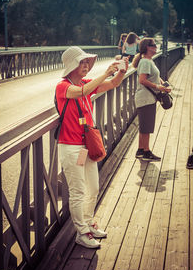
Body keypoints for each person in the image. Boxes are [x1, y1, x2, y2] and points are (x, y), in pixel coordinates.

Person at [55, 46, 129, 248]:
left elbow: (113, 83)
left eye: (87, 62)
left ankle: (88, 223)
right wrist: (105, 72)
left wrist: (121, 71)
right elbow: (81, 92)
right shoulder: (63, 86)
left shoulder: (87, 83)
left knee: (93, 187)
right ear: (71, 65)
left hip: (85, 147)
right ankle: (82, 232)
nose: (86, 65)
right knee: (78, 191)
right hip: (71, 148)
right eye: (82, 62)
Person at [132, 38, 171, 161]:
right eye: (153, 45)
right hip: (145, 98)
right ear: (147, 47)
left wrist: (163, 83)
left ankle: (140, 150)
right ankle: (146, 152)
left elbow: (154, 77)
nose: (156, 47)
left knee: (144, 125)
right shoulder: (145, 62)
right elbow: (142, 80)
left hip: (147, 97)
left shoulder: (149, 61)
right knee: (146, 127)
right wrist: (158, 87)